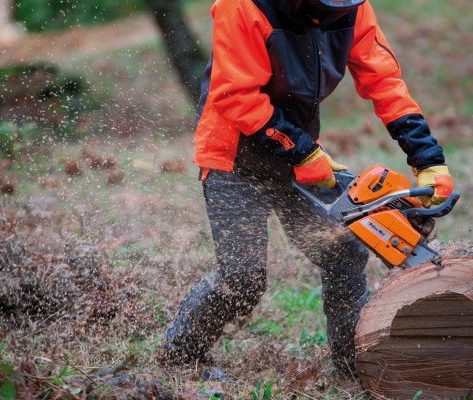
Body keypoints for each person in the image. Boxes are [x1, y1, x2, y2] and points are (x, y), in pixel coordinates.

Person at [161, 0, 454, 373]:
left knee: (343, 253)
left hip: (299, 151)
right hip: (233, 158)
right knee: (243, 277)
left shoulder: (351, 8)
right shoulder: (246, 6)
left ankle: (353, 362)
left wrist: (428, 159)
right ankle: (180, 357)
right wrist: (300, 151)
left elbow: (383, 80)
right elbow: (235, 94)